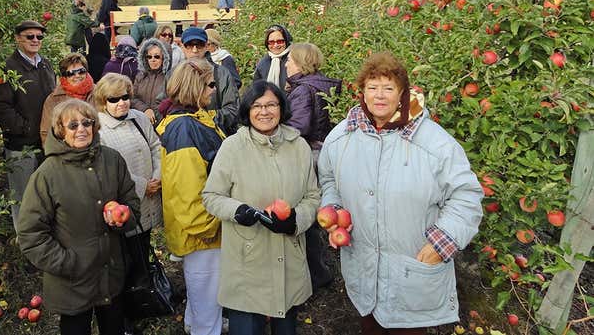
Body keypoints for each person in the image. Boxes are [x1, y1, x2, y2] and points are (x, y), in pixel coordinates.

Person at [317, 52, 483, 335]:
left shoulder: (434, 142)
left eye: (388, 88)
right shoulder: (342, 137)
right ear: (362, 92)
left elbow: (466, 196)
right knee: (369, 326)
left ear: (403, 93)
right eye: (372, 87)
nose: (379, 95)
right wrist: (333, 208)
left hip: (412, 272)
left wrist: (441, 244)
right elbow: (329, 177)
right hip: (363, 269)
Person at [202, 80, 320, 335]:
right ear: (247, 110)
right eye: (257, 106)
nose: (264, 112)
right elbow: (211, 195)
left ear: (281, 108)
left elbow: (312, 196)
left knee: (286, 323)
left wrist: (296, 220)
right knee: (247, 324)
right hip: (248, 256)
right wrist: (237, 210)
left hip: (287, 253)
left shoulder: (298, 147)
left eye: (271, 105)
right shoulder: (233, 147)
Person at [17, 99, 139, 335]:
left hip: (110, 274)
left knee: (113, 328)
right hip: (72, 281)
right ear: (60, 131)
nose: (81, 129)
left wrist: (124, 218)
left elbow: (132, 203)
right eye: (72, 125)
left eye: (87, 122)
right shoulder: (47, 175)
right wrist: (67, 263)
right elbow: (30, 234)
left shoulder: (112, 160)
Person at [156, 59, 225, 335]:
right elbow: (187, 188)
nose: (214, 89)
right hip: (202, 233)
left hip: (201, 229)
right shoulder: (185, 127)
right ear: (195, 87)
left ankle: (193, 324)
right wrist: (208, 227)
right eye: (210, 84)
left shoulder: (194, 118)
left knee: (202, 295)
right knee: (208, 297)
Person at [284, 42, 342, 291]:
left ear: (299, 62)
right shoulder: (324, 86)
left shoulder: (302, 90)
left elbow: (300, 125)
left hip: (307, 153)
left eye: (290, 60)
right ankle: (319, 268)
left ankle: (315, 272)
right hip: (324, 151)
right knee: (318, 211)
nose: (286, 64)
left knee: (305, 212)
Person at [0, 20, 56, 231]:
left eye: (39, 37)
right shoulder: (8, 69)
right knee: (23, 195)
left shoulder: (45, 65)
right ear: (18, 38)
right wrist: (25, 128)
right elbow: (0, 109)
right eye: (30, 36)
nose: (35, 40)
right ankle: (25, 241)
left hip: (47, 141)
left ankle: (44, 236)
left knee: (46, 192)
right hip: (21, 145)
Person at [94, 74, 163, 273]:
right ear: (103, 101)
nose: (121, 103)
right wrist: (142, 185)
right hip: (124, 202)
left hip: (150, 196)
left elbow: (156, 146)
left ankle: (146, 288)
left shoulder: (139, 118)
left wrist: (158, 177)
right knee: (127, 255)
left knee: (144, 246)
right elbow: (106, 167)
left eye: (125, 97)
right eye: (113, 99)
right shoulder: (99, 130)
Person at [178, 27, 239, 136]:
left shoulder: (221, 74)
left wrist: (205, 120)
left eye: (199, 45)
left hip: (216, 137)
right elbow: (163, 105)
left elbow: (233, 108)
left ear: (206, 46)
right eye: (190, 45)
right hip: (184, 135)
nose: (195, 50)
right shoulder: (174, 74)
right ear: (182, 47)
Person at [39, 52, 95, 145]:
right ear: (64, 76)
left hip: (98, 150)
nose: (77, 76)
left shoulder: (98, 92)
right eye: (71, 73)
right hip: (68, 153)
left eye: (81, 71)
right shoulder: (53, 100)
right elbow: (46, 133)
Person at [133, 37, 171, 125]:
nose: (152, 59)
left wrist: (156, 115)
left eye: (157, 57)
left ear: (164, 58)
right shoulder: (140, 76)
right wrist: (145, 109)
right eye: (149, 57)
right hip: (142, 121)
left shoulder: (170, 78)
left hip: (162, 123)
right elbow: (133, 98)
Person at [253, 24, 293, 90]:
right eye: (271, 42)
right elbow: (257, 88)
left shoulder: (294, 59)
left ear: (286, 41)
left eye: (280, 41)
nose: (276, 45)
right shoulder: (263, 63)